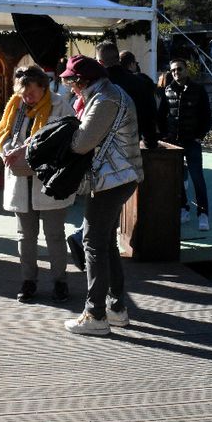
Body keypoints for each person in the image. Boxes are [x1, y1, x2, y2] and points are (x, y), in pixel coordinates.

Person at [58, 55, 142, 335]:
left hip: (112, 179)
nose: (70, 87)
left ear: (83, 81)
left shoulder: (104, 100)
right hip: (119, 177)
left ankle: (95, 315)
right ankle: (116, 308)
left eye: (72, 81)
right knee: (104, 242)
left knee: (92, 242)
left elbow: (82, 143)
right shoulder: (107, 93)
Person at [0, 64, 76, 304]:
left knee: (54, 235)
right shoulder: (15, 106)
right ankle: (28, 281)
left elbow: (67, 140)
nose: (27, 97)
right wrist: (7, 149)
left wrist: (29, 149)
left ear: (43, 87)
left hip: (49, 181)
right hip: (20, 179)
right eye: (23, 91)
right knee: (25, 236)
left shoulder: (60, 106)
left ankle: (60, 282)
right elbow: (3, 134)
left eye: (32, 92)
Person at [160, 57, 212, 232]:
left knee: (197, 178)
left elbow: (207, 116)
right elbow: (162, 116)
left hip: (192, 142)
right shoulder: (167, 91)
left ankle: (203, 214)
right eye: (173, 70)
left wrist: (200, 136)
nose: (176, 73)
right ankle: (183, 209)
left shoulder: (198, 90)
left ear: (186, 70)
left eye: (179, 69)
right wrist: (163, 136)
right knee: (176, 178)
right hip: (174, 143)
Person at [96, 41, 158, 148]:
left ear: (100, 63)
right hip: (132, 145)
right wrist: (150, 143)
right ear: (118, 59)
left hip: (103, 148)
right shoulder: (140, 82)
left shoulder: (98, 85)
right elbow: (149, 116)